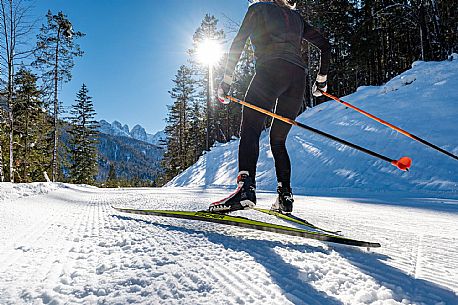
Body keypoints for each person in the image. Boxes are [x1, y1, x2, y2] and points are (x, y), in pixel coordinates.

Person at [209, 0, 330, 214]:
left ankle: (246, 189)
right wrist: (322, 79)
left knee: (250, 129)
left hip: (270, 71)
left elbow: (239, 42)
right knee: (278, 139)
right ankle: (285, 196)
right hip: (297, 78)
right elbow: (324, 44)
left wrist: (226, 80)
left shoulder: (257, 9)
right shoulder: (296, 18)